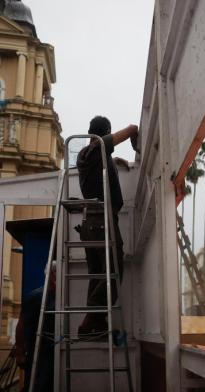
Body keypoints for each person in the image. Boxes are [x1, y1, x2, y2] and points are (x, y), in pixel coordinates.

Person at [76, 116, 138, 336]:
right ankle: (90, 320)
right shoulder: (95, 149)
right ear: (104, 133)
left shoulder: (91, 156)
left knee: (98, 274)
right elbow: (122, 134)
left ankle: (97, 322)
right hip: (101, 221)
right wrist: (133, 131)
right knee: (114, 270)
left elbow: (103, 159)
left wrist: (115, 160)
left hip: (91, 223)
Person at [15, 265, 56, 392]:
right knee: (39, 384)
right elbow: (21, 325)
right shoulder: (35, 297)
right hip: (39, 352)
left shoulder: (62, 296)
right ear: (52, 275)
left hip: (55, 350)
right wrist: (20, 353)